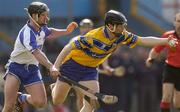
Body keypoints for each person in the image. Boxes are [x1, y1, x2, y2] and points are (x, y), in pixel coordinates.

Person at [51, 10, 177, 112]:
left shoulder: (122, 36)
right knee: (57, 100)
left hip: (90, 70)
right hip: (72, 65)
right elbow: (68, 47)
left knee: (92, 103)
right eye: (120, 26)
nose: (123, 29)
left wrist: (165, 41)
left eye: (123, 26)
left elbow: (142, 40)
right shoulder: (93, 37)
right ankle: (54, 87)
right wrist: (55, 66)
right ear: (110, 26)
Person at [2, 1, 77, 112]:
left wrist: (66, 31)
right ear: (34, 16)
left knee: (40, 102)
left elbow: (50, 32)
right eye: (43, 15)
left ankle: (21, 97)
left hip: (32, 68)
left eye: (47, 14)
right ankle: (15, 99)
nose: (46, 18)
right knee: (8, 106)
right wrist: (51, 66)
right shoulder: (27, 33)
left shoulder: (41, 28)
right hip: (16, 67)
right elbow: (37, 53)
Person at [146, 12, 180, 112]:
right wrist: (150, 58)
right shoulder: (168, 36)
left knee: (177, 102)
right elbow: (156, 49)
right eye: (178, 21)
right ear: (174, 23)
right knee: (166, 97)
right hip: (170, 68)